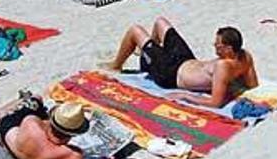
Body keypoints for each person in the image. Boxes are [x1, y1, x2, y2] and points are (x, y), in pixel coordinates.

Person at [107, 18, 258, 108]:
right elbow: (252, 85)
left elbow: (215, 103)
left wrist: (184, 96)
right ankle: (148, 54)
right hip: (185, 60)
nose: (214, 46)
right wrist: (234, 80)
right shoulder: (245, 56)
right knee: (161, 22)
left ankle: (116, 66)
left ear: (229, 48)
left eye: (218, 45)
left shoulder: (222, 66)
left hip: (170, 73)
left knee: (135, 30)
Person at [0, 100, 116, 159]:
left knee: (36, 100)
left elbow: (42, 129)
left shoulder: (31, 121)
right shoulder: (73, 157)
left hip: (9, 140)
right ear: (75, 134)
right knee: (36, 102)